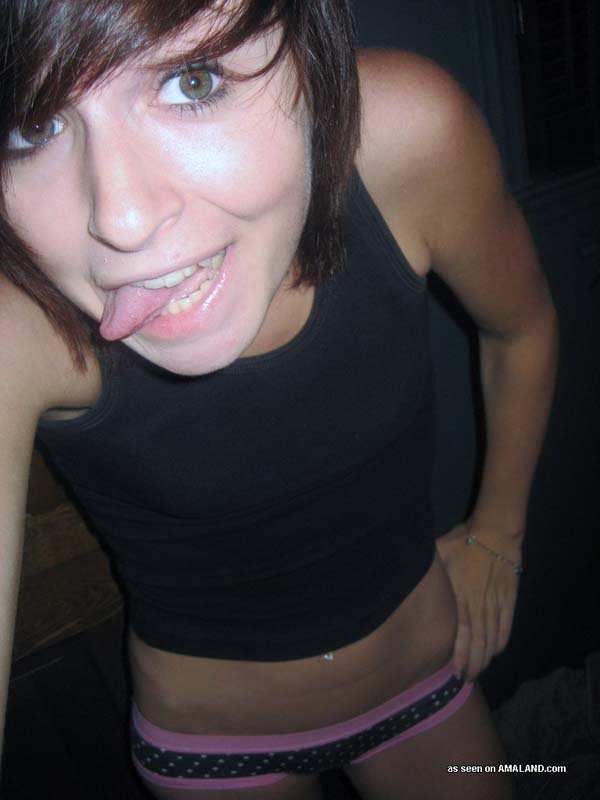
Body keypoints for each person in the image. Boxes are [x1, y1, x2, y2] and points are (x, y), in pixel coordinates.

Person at [0, 1, 558, 798]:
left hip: (428, 680)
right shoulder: (17, 318)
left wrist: (499, 534)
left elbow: (522, 329)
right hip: (214, 745)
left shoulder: (405, 137)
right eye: (33, 124)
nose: (122, 219)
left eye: (194, 79)